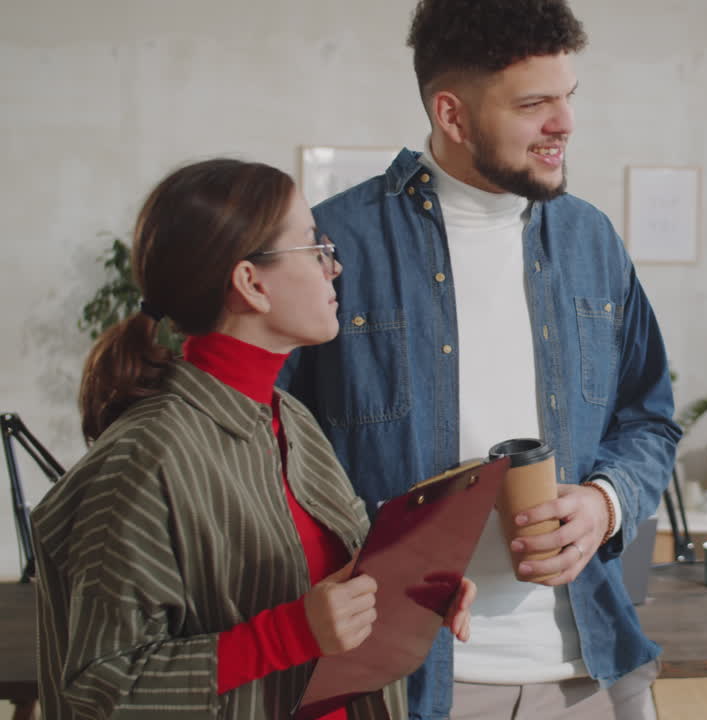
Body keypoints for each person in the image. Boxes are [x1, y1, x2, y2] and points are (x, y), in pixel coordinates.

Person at [277, 1, 680, 718]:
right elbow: (261, 451)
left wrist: (606, 503)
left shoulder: (592, 241)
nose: (566, 124)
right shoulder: (336, 248)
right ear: (453, 115)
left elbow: (648, 418)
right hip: (405, 682)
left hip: (590, 667)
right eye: (535, 104)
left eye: (568, 97)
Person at [33, 158, 476, 719]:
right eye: (315, 247)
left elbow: (330, 593)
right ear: (251, 282)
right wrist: (288, 635)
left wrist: (406, 590)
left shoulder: (290, 419)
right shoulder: (144, 459)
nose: (333, 267)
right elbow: (97, 691)